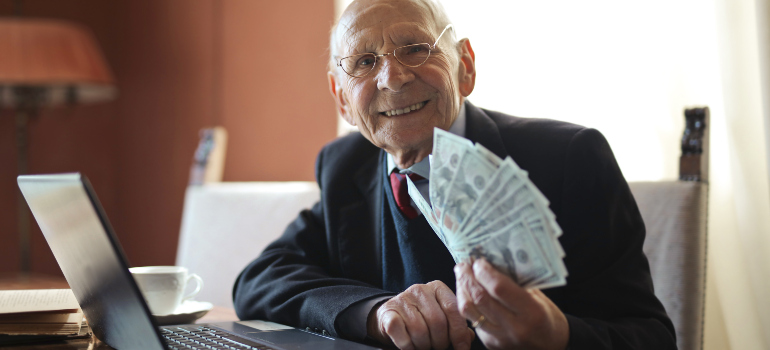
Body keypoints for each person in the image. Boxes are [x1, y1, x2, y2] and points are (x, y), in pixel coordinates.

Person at [233, 0, 677, 349]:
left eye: (415, 48)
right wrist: (375, 312)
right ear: (341, 98)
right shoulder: (346, 166)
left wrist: (558, 336)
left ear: (465, 65)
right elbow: (261, 277)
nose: (393, 77)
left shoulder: (570, 159)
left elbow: (651, 337)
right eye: (365, 62)